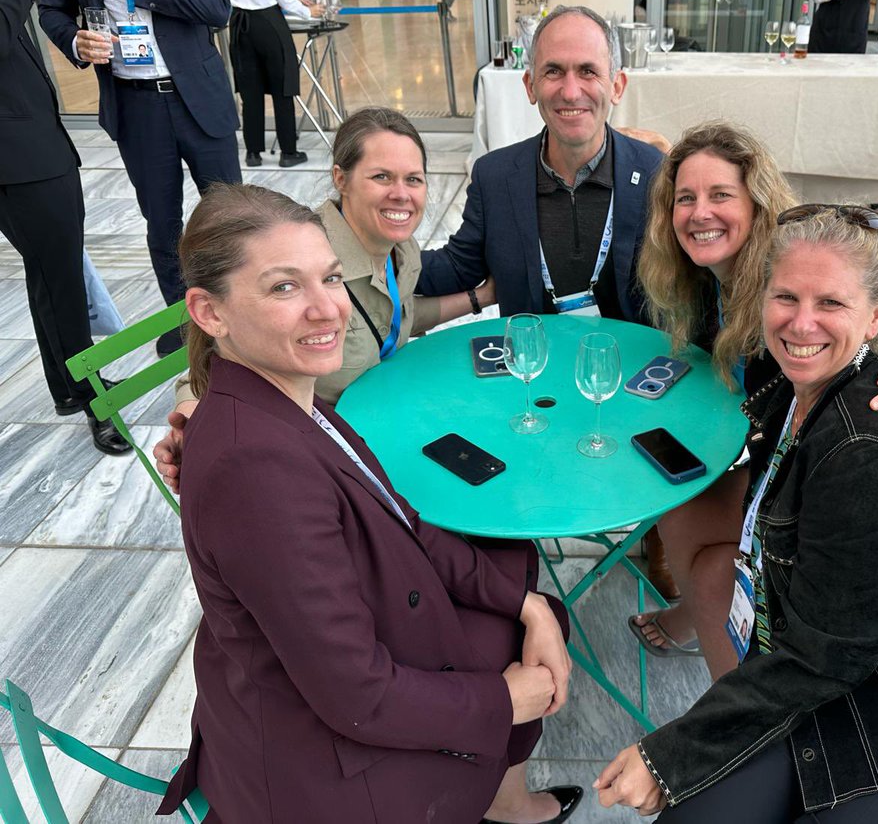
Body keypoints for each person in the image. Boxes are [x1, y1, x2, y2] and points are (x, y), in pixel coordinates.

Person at [597, 205, 878, 824]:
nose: (801, 323)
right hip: (837, 685)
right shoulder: (794, 386)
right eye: (785, 296)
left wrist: (670, 754)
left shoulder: (876, 455)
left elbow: (824, 657)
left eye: (830, 304)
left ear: (877, 316)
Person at [154, 183, 580, 824]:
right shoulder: (254, 466)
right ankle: (496, 798)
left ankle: (505, 799)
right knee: (522, 610)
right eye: (283, 288)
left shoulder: (294, 397)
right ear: (210, 314)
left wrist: (528, 607)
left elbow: (403, 522)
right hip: (324, 766)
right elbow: (356, 694)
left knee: (523, 583)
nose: (328, 310)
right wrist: (499, 701)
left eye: (329, 278)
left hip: (341, 656)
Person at [629, 123, 878, 677]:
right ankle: (698, 618)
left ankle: (734, 705)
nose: (698, 212)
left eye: (720, 196)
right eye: (685, 198)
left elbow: (866, 352)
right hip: (779, 464)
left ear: (757, 204)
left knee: (705, 550)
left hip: (821, 493)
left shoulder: (784, 278)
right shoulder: (710, 277)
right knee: (680, 505)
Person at [415, 5, 675, 595]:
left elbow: (705, 268)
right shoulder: (495, 175)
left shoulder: (657, 173)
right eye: (553, 71)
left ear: (617, 84)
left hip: (633, 379)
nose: (571, 89)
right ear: (529, 86)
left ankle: (656, 535)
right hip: (533, 381)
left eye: (588, 70)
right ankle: (511, 567)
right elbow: (458, 264)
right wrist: (375, 249)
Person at [154, 107, 494, 487]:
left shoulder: (401, 248)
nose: (401, 194)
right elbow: (216, 365)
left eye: (413, 179)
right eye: (381, 176)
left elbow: (397, 315)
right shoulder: (303, 256)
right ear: (341, 179)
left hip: (384, 417)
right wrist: (190, 422)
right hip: (330, 451)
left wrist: (481, 296)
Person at [38, 0, 242, 358]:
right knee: (162, 222)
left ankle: (245, 313)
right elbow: (51, 9)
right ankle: (186, 323)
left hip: (198, 97)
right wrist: (75, 40)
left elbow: (216, 7)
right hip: (136, 105)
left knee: (232, 216)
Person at [0, 0, 129, 455]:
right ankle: (94, 400)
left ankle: (69, 387)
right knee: (64, 282)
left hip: (29, 149)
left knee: (50, 275)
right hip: (22, 160)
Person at [225, 0, 324, 169]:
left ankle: (253, 153)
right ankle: (288, 152)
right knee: (283, 88)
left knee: (250, 91)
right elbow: (285, 1)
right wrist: (308, 11)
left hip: (240, 25)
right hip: (269, 25)